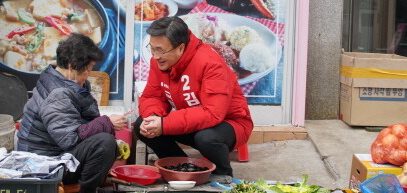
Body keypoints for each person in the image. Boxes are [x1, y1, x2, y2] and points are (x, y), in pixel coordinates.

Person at [134, 16, 253, 178]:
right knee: (143, 125)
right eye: (152, 49)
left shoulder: (210, 63)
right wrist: (153, 118)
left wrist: (165, 123)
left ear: (181, 48)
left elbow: (213, 113)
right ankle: (181, 170)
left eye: (161, 50)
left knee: (206, 138)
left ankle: (223, 178)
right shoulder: (159, 62)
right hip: (195, 120)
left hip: (230, 122)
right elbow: (152, 96)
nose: (155, 56)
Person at [17, 33, 126, 193]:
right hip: (43, 164)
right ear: (71, 65)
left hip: (54, 154)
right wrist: (107, 123)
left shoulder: (61, 80)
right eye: (87, 69)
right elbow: (69, 139)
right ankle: (85, 191)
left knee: (109, 143)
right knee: (104, 144)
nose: (89, 74)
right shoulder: (58, 93)